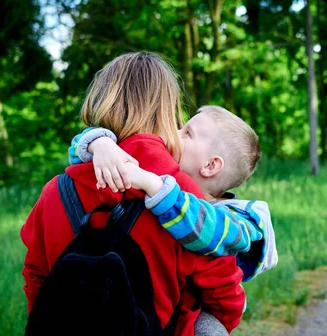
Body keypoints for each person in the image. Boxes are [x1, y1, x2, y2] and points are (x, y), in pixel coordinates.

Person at [20, 52, 246, 336]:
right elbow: (223, 289)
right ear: (167, 110)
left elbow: (36, 276)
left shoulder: (55, 192)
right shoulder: (180, 196)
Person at [69, 105, 278, 283]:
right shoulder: (165, 179)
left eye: (187, 133)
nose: (173, 133)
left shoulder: (236, 221)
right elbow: (83, 158)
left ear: (211, 165)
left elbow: (208, 229)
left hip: (204, 315)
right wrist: (101, 145)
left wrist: (154, 185)